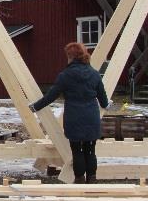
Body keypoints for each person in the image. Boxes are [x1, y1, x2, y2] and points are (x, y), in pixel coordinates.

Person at [28, 42, 112, 184]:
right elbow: (103, 101)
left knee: (77, 150)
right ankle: (92, 180)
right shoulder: (95, 74)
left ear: (71, 57)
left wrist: (35, 107)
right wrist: (107, 104)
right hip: (91, 117)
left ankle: (79, 179)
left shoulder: (65, 75)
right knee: (90, 150)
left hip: (74, 118)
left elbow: (51, 96)